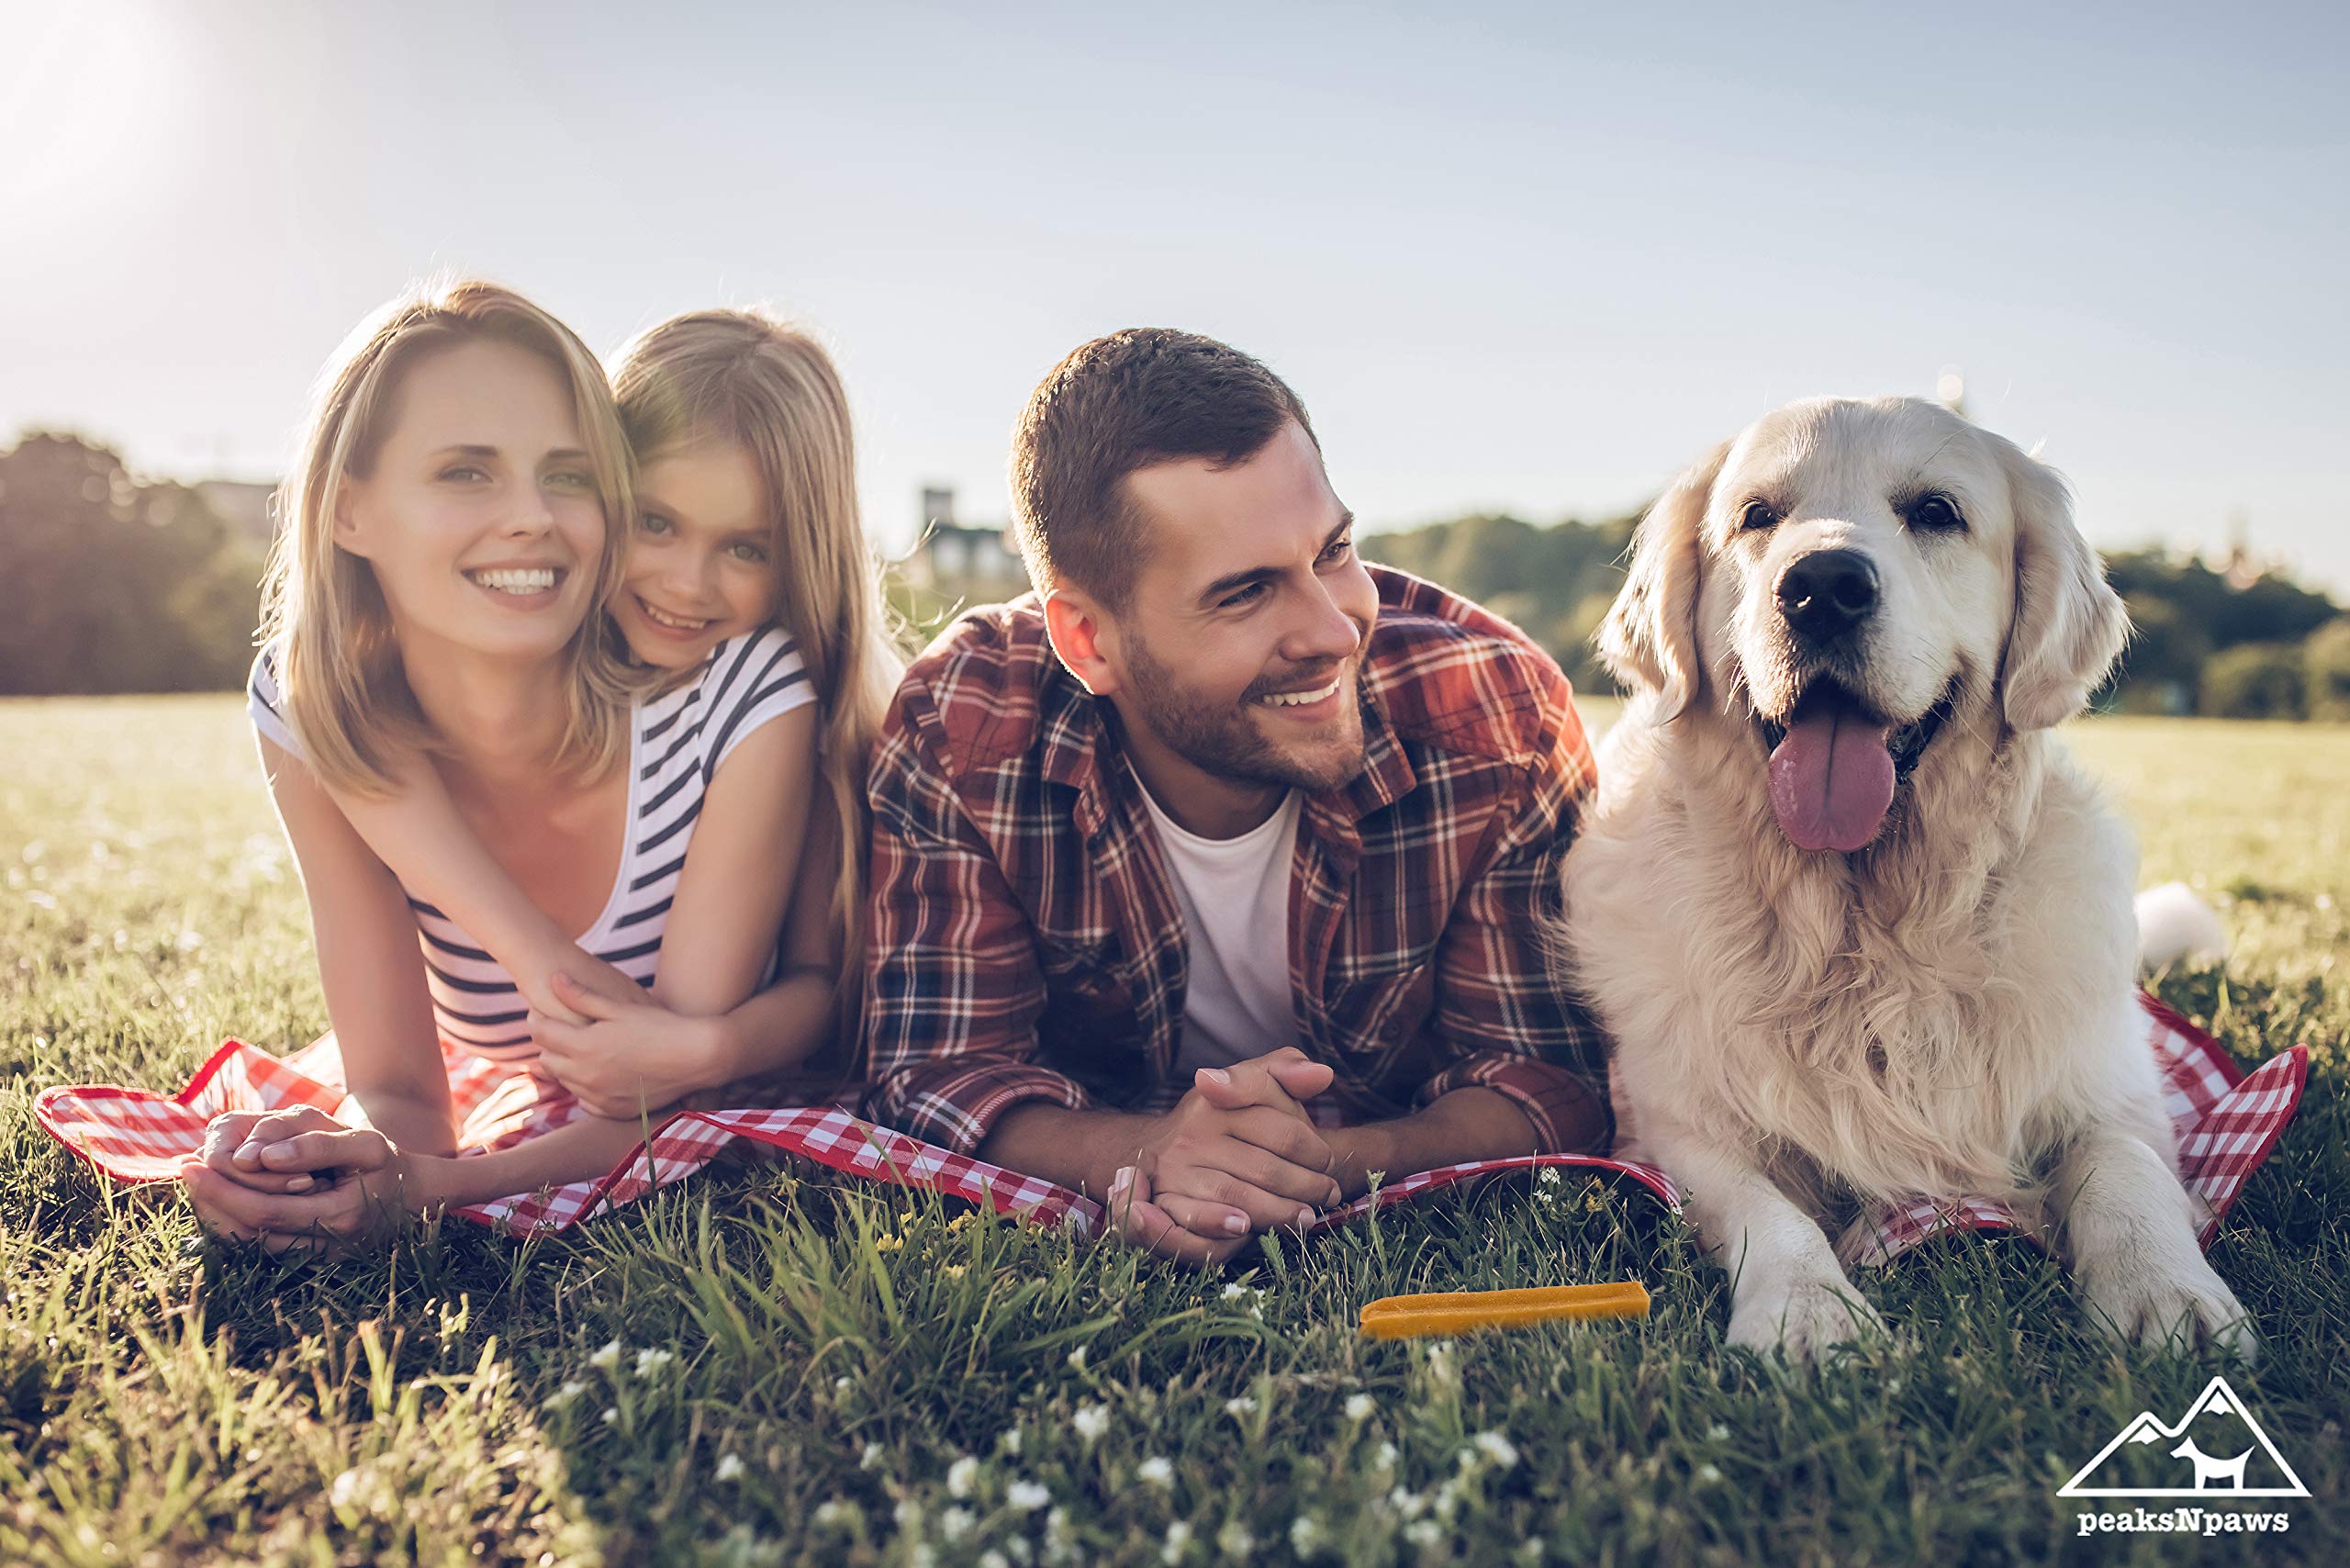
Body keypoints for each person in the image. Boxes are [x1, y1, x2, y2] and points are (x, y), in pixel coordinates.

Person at [862, 328, 1613, 1265]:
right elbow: (937, 1071)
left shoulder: (1492, 709)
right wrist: (1148, 1153)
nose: (1333, 628)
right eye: (1245, 593)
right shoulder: (964, 722)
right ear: (1087, 641)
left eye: (1333, 550)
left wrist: (1327, 1161)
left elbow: (1548, 1077)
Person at [181, 288, 896, 1249]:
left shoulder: (739, 690)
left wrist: (431, 1185)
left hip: (737, 1060)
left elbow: (658, 1091)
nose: (528, 518)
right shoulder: (317, 710)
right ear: (348, 510)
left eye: (562, 475)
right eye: (467, 471)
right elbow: (397, 1086)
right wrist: (346, 1169)